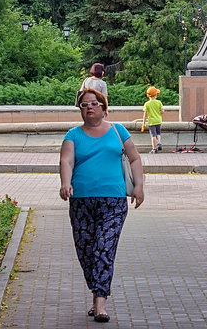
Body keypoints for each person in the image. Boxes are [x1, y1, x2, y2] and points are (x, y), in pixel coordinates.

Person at [59, 88, 144, 324]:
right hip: (81, 201)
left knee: (103, 247)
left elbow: (135, 158)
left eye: (94, 104)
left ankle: (100, 303)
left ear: (104, 108)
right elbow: (66, 160)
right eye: (84, 105)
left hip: (113, 201)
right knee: (86, 252)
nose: (89, 108)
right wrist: (65, 183)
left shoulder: (118, 131)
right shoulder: (73, 135)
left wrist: (139, 187)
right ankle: (97, 289)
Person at [141, 86, 163, 153]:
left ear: (148, 95)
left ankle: (154, 149)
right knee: (158, 133)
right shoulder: (159, 102)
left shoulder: (147, 104)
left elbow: (145, 115)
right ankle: (159, 143)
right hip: (158, 121)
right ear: (156, 95)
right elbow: (162, 111)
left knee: (153, 135)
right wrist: (159, 113)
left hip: (151, 122)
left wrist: (143, 123)